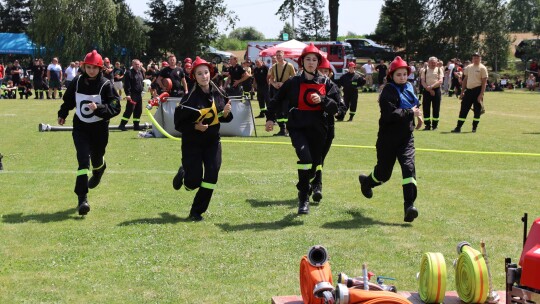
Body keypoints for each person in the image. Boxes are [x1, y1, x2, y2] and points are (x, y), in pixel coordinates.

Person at [265, 43, 340, 215]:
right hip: (298, 128)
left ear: (318, 62)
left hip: (319, 130)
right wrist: (270, 118)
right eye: (308, 59)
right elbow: (276, 100)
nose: (311, 62)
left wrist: (322, 100)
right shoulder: (292, 82)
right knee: (305, 158)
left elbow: (337, 107)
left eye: (314, 59)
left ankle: (306, 184)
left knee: (313, 165)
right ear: (302, 62)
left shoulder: (326, 83)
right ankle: (303, 198)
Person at [358, 56, 423, 223]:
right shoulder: (387, 91)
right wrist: (411, 113)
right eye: (398, 75)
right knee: (383, 174)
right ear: (391, 76)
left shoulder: (409, 86)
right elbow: (390, 115)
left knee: (409, 169)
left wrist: (419, 118)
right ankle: (367, 182)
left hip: (406, 138)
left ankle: (409, 206)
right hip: (388, 139)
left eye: (404, 74)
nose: (402, 77)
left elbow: (415, 105)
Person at [57, 50, 121, 216]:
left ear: (100, 69)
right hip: (80, 128)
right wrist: (62, 114)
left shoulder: (107, 85)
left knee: (97, 158)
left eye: (95, 67)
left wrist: (99, 108)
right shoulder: (77, 81)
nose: (91, 70)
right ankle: (82, 198)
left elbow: (115, 108)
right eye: (88, 67)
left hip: (99, 130)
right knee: (83, 160)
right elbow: (69, 100)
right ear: (84, 67)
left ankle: (99, 170)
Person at [172, 56, 233, 221]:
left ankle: (196, 211)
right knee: (193, 183)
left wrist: (226, 114)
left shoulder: (220, 93)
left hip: (213, 142)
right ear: (194, 76)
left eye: (206, 72)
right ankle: (184, 173)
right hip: (193, 144)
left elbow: (224, 117)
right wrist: (194, 127)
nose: (204, 76)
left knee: (212, 175)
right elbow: (178, 124)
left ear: (210, 73)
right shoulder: (189, 99)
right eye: (199, 74)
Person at [312, 56, 346, 203]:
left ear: (330, 73)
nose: (324, 74)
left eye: (326, 71)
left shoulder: (333, 87)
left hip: (328, 128)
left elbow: (341, 107)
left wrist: (339, 112)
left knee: (320, 159)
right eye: (321, 71)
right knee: (316, 158)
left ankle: (311, 182)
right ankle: (317, 187)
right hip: (312, 127)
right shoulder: (310, 85)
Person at [451, 52, 488, 133]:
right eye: (474, 58)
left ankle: (474, 128)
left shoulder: (482, 68)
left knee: (477, 110)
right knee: (463, 109)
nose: (476, 59)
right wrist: (462, 92)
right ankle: (458, 127)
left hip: (477, 91)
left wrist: (481, 95)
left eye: (477, 58)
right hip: (469, 91)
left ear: (480, 59)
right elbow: (465, 80)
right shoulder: (468, 67)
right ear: (472, 59)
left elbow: (484, 83)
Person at [268, 50, 296, 136]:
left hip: (287, 90)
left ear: (283, 56)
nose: (278, 57)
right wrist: (274, 84)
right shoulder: (273, 66)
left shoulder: (289, 66)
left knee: (286, 110)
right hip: (277, 90)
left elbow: (294, 78)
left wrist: (284, 84)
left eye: (280, 55)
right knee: (278, 110)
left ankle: (289, 129)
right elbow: (271, 79)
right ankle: (282, 130)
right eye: (277, 55)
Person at [119, 59, 144, 131]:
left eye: (138, 64)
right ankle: (122, 125)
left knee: (138, 110)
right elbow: (127, 85)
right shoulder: (129, 73)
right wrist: (128, 94)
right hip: (132, 95)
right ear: (132, 65)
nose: (137, 65)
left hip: (139, 95)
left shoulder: (140, 72)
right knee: (129, 110)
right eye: (136, 64)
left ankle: (136, 125)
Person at [420, 56, 444, 130]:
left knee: (436, 108)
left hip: (436, 90)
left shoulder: (439, 70)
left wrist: (432, 87)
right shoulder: (425, 70)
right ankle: (427, 125)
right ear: (428, 62)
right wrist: (429, 89)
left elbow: (440, 81)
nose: (433, 64)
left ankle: (435, 125)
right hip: (427, 91)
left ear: (437, 63)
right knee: (426, 108)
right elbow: (423, 81)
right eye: (431, 62)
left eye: (434, 62)